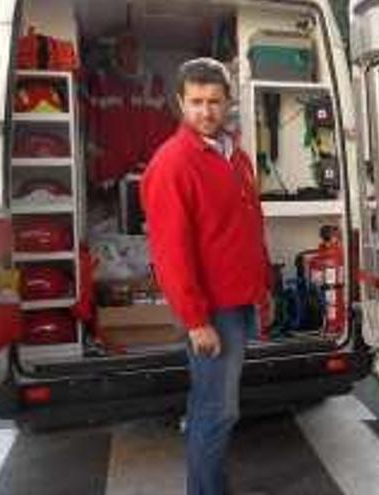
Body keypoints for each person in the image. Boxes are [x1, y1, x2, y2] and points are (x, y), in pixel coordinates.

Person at [141, 58, 272, 495]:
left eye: (214, 101)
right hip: (213, 310)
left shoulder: (235, 156)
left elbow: (251, 226)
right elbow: (171, 253)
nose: (205, 111)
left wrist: (263, 289)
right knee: (215, 412)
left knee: (216, 408)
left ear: (228, 103)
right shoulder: (173, 163)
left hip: (240, 300)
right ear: (180, 103)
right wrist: (197, 320)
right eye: (196, 102)